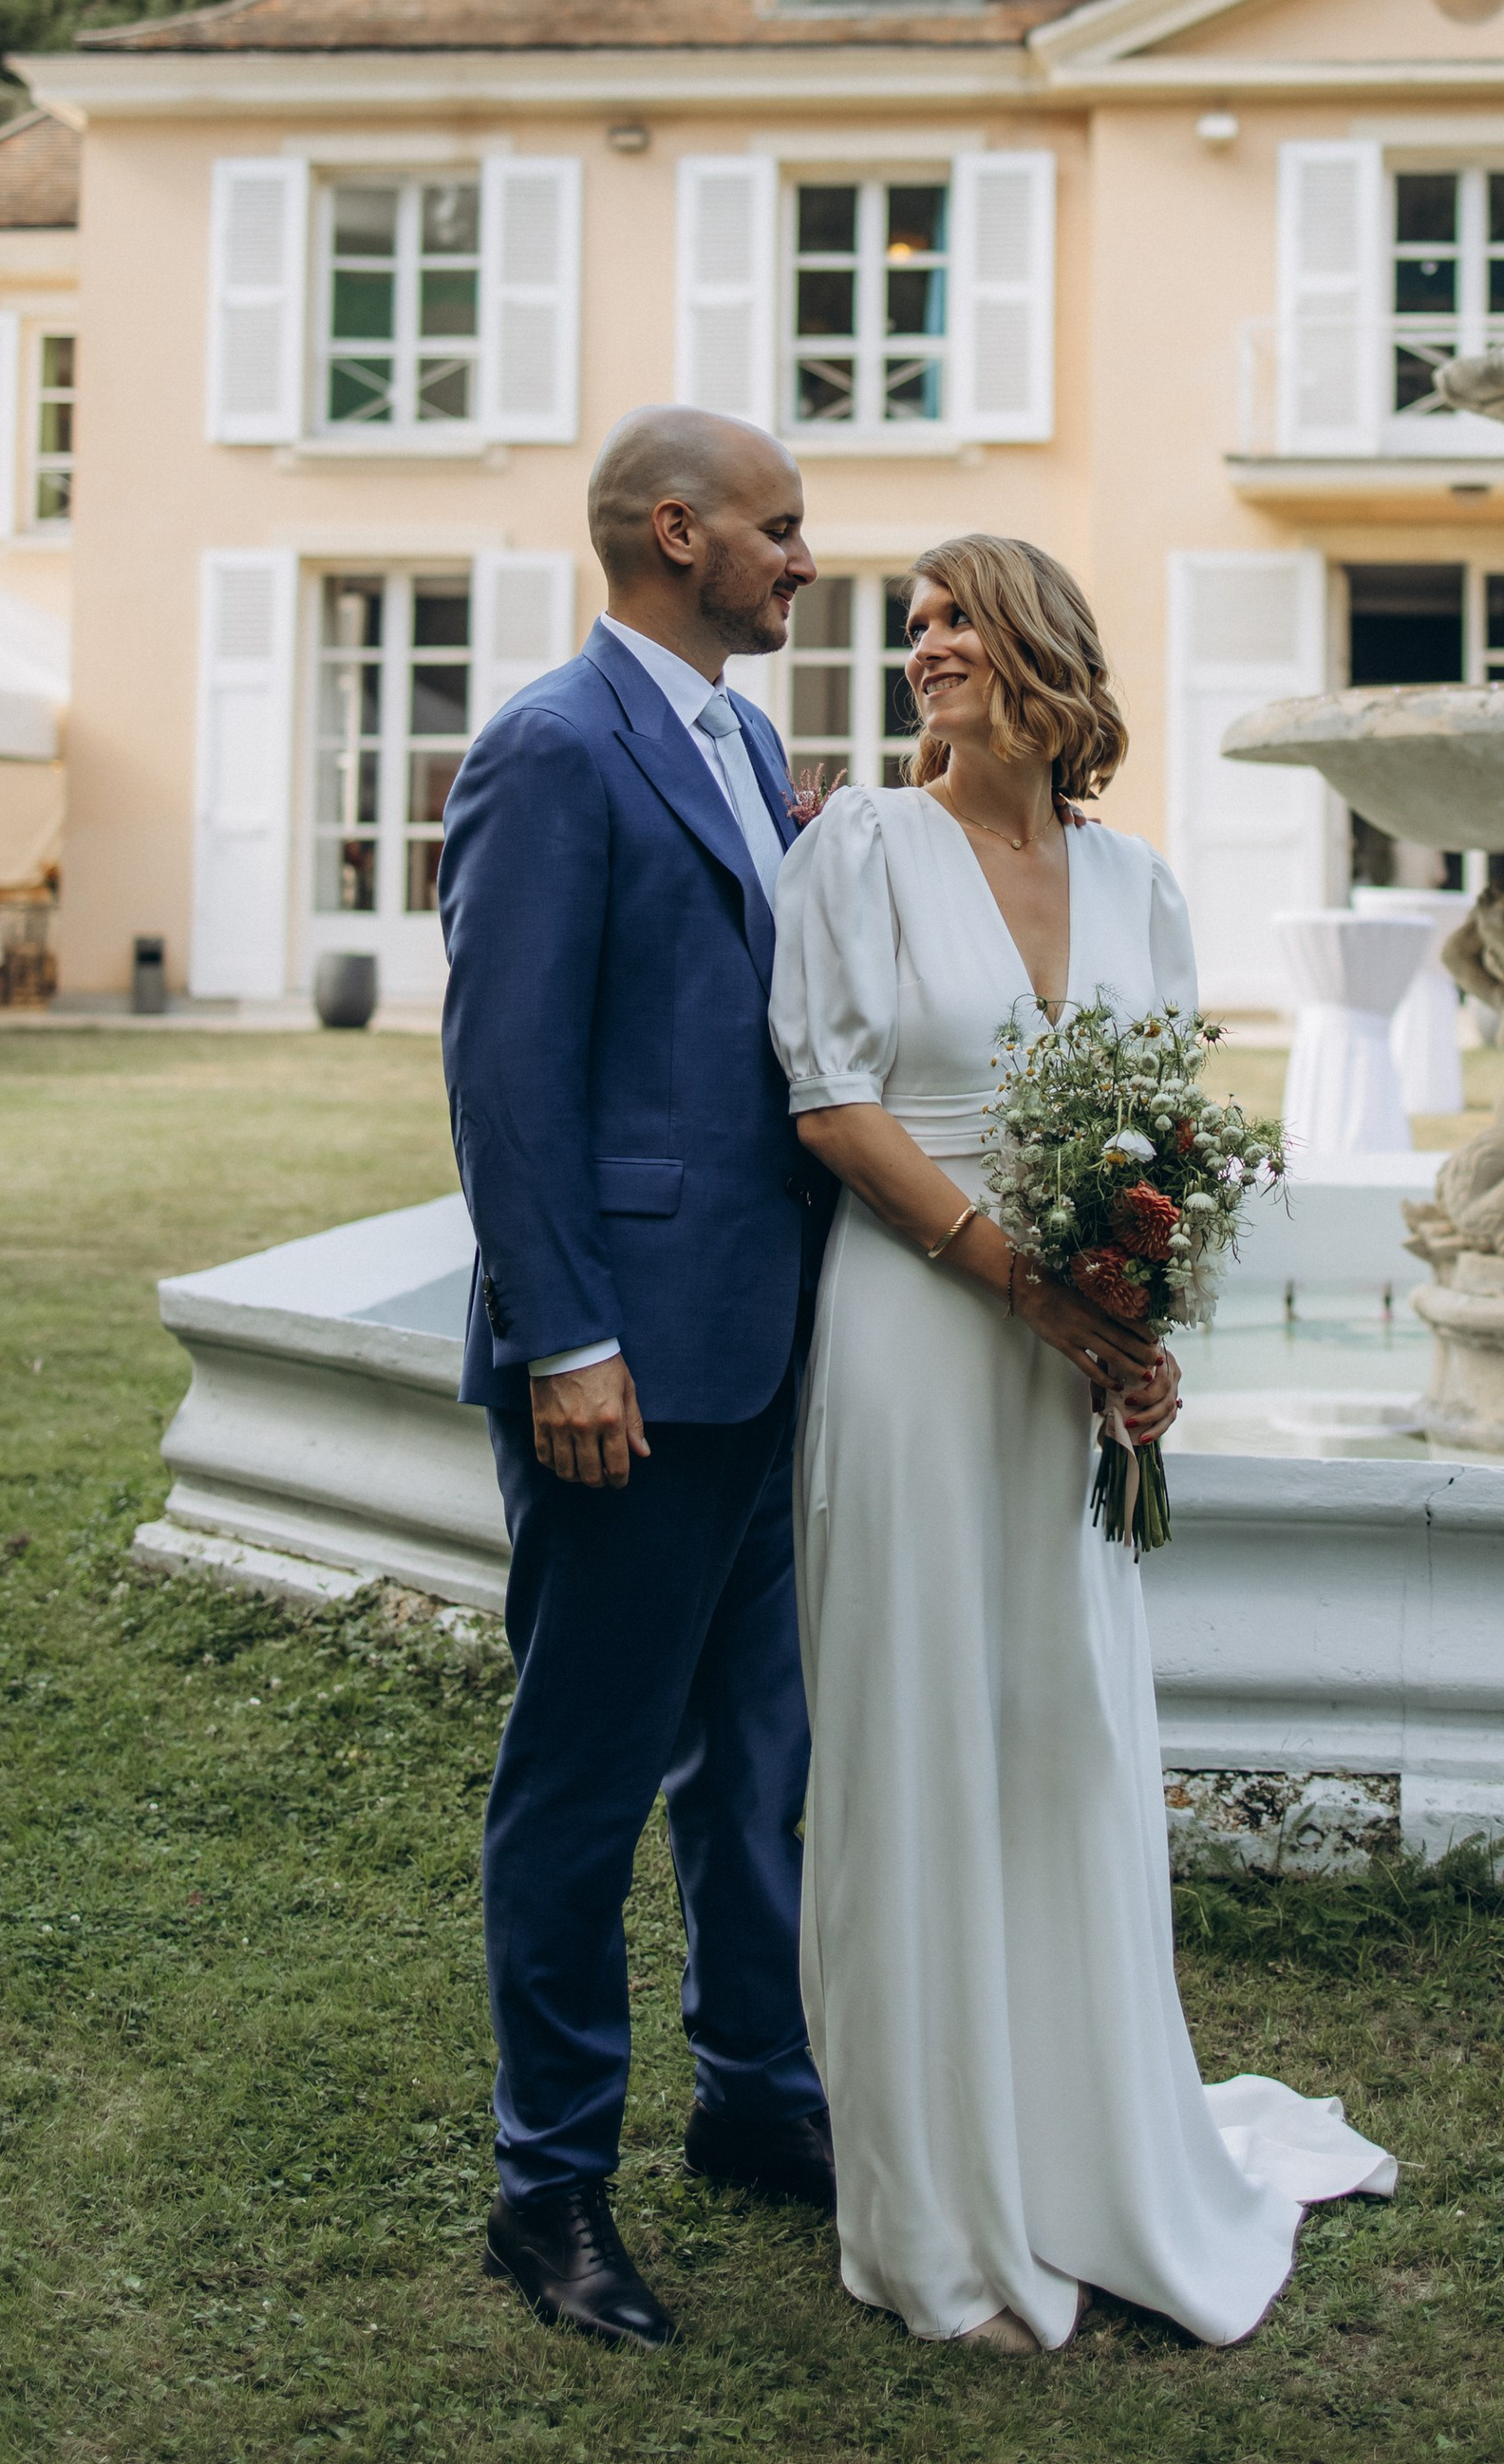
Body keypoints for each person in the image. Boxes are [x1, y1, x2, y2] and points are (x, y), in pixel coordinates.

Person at [771, 534, 1395, 2356]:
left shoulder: (1141, 884)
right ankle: (938, 2202)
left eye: (958, 616)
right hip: (916, 1335)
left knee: (1062, 1729)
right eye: (914, 627)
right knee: (918, 1730)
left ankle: (1086, 2141)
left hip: (1067, 1367)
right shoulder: (859, 851)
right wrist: (1024, 1284)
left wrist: (1139, 1330)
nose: (927, 648)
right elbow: (832, 1099)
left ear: (1044, 644)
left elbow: (1156, 1138)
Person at [437, 406, 837, 2353]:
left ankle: (756, 2101)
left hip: (759, 1352)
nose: (802, 559)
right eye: (778, 529)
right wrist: (564, 1339)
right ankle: (548, 2187)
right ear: (675, 534)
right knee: (582, 1786)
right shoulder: (546, 746)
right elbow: (506, 1077)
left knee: (756, 1761)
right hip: (623, 1368)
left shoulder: (746, 741)